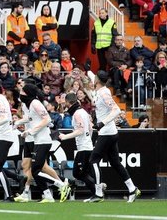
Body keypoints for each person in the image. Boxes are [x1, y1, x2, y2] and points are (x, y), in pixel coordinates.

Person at [88, 70, 141, 202]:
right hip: (111, 133)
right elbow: (91, 75)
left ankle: (99, 193)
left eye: (94, 77)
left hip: (106, 133)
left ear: (98, 81)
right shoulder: (100, 89)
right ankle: (132, 189)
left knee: (93, 160)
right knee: (115, 163)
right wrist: (87, 69)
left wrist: (102, 123)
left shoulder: (104, 92)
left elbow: (116, 110)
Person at [19, 83, 71, 203]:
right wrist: (20, 124)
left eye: (22, 92)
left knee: (36, 171)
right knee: (36, 171)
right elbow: (31, 119)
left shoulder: (35, 103)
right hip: (38, 141)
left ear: (27, 93)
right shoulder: (29, 104)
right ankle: (48, 195)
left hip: (43, 141)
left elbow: (47, 119)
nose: (20, 93)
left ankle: (61, 185)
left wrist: (31, 131)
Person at [58, 93, 98, 201]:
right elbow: (90, 128)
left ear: (68, 102)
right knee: (82, 173)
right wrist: (88, 138)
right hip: (86, 146)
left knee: (78, 173)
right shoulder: (83, 112)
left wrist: (65, 137)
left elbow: (80, 130)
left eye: (65, 102)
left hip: (83, 148)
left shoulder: (76, 114)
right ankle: (97, 191)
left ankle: (97, 192)